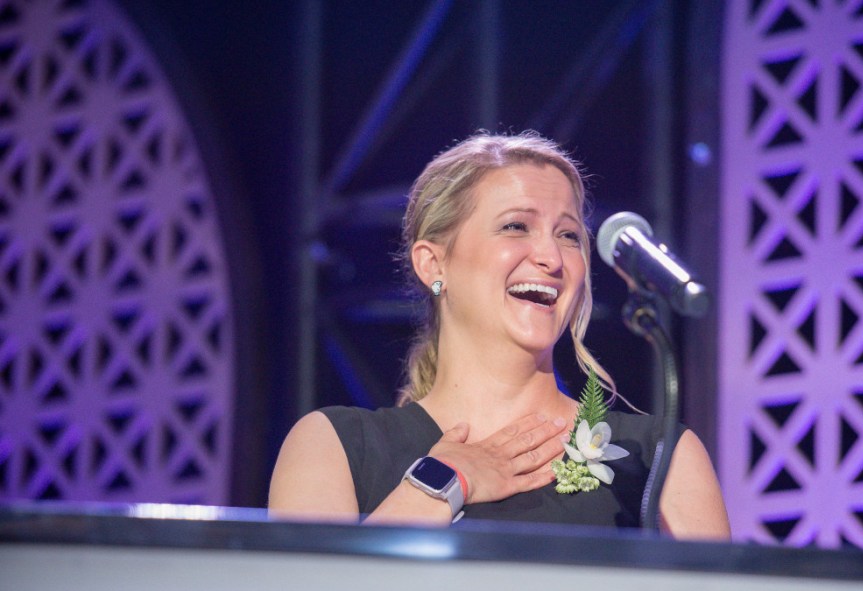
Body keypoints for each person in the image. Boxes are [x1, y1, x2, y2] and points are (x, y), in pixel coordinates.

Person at [268, 130, 730, 539]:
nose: (552, 256)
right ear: (433, 263)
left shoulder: (657, 458)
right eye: (516, 227)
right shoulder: (337, 446)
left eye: (569, 235)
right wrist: (442, 483)